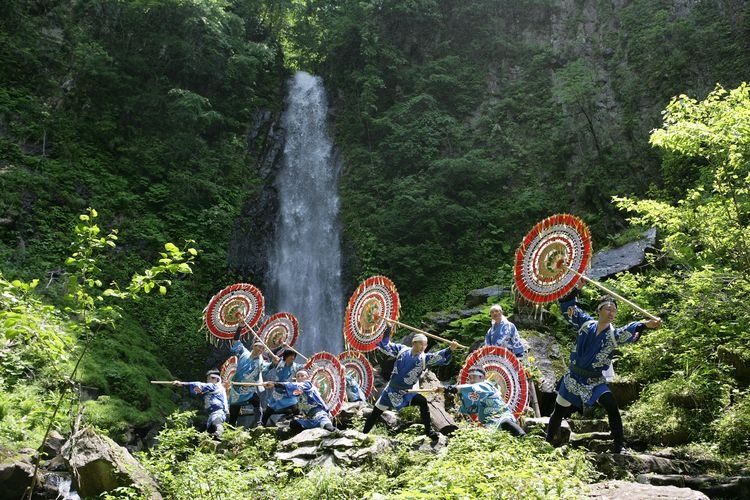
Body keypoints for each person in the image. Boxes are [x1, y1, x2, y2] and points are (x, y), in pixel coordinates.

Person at [545, 286, 661, 454]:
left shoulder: (613, 335)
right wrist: (575, 290)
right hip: (573, 376)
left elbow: (630, 329)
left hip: (594, 380)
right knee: (559, 409)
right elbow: (568, 308)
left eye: (614, 310)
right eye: (608, 308)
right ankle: (547, 441)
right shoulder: (586, 324)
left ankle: (619, 445)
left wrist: (645, 325)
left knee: (611, 404)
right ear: (599, 310)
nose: (612, 312)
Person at [363, 323, 459, 439]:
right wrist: (388, 329)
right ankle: (363, 434)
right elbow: (385, 345)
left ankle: (429, 432)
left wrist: (450, 349)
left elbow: (438, 357)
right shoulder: (402, 350)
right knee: (375, 413)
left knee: (422, 401)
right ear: (414, 343)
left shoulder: (424, 358)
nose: (424, 347)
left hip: (407, 392)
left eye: (425, 345)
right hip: (391, 390)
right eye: (421, 344)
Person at [444, 366, 526, 437]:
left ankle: (524, 438)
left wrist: (450, 388)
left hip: (501, 416)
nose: (471, 380)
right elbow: (471, 407)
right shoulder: (477, 393)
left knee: (508, 425)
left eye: (474, 377)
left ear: (481, 377)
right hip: (489, 423)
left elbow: (469, 388)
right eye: (470, 378)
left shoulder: (485, 385)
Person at [228, 327, 279, 428]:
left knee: (256, 402)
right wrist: (239, 328)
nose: (260, 350)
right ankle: (230, 428)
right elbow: (235, 342)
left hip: (250, 388)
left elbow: (267, 367)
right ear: (253, 346)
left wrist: (274, 362)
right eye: (258, 347)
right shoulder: (243, 352)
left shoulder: (260, 361)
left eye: (262, 348)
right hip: (237, 388)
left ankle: (259, 424)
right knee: (234, 409)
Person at [263, 369, 336, 433]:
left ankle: (336, 432)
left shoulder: (307, 384)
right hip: (309, 418)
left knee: (327, 426)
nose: (300, 378)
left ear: (307, 378)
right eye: (298, 376)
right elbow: (288, 390)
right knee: (294, 424)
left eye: (302, 376)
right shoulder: (298, 391)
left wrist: (275, 384)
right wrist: (273, 386)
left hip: (319, 414)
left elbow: (292, 385)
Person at [172, 369, 229, 437]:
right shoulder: (213, 388)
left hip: (218, 412)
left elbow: (199, 385)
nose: (207, 381)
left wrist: (182, 384)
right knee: (210, 429)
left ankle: (220, 432)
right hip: (212, 413)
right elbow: (199, 389)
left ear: (216, 379)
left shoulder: (214, 386)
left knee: (216, 421)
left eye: (209, 379)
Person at [261, 349, 302, 426]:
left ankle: (297, 425)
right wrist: (273, 362)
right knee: (268, 411)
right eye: (291, 355)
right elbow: (266, 368)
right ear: (286, 356)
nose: (293, 357)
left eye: (294, 356)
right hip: (277, 392)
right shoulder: (278, 363)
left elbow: (306, 367)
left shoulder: (296, 366)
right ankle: (261, 426)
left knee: (296, 409)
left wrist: (311, 364)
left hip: (288, 393)